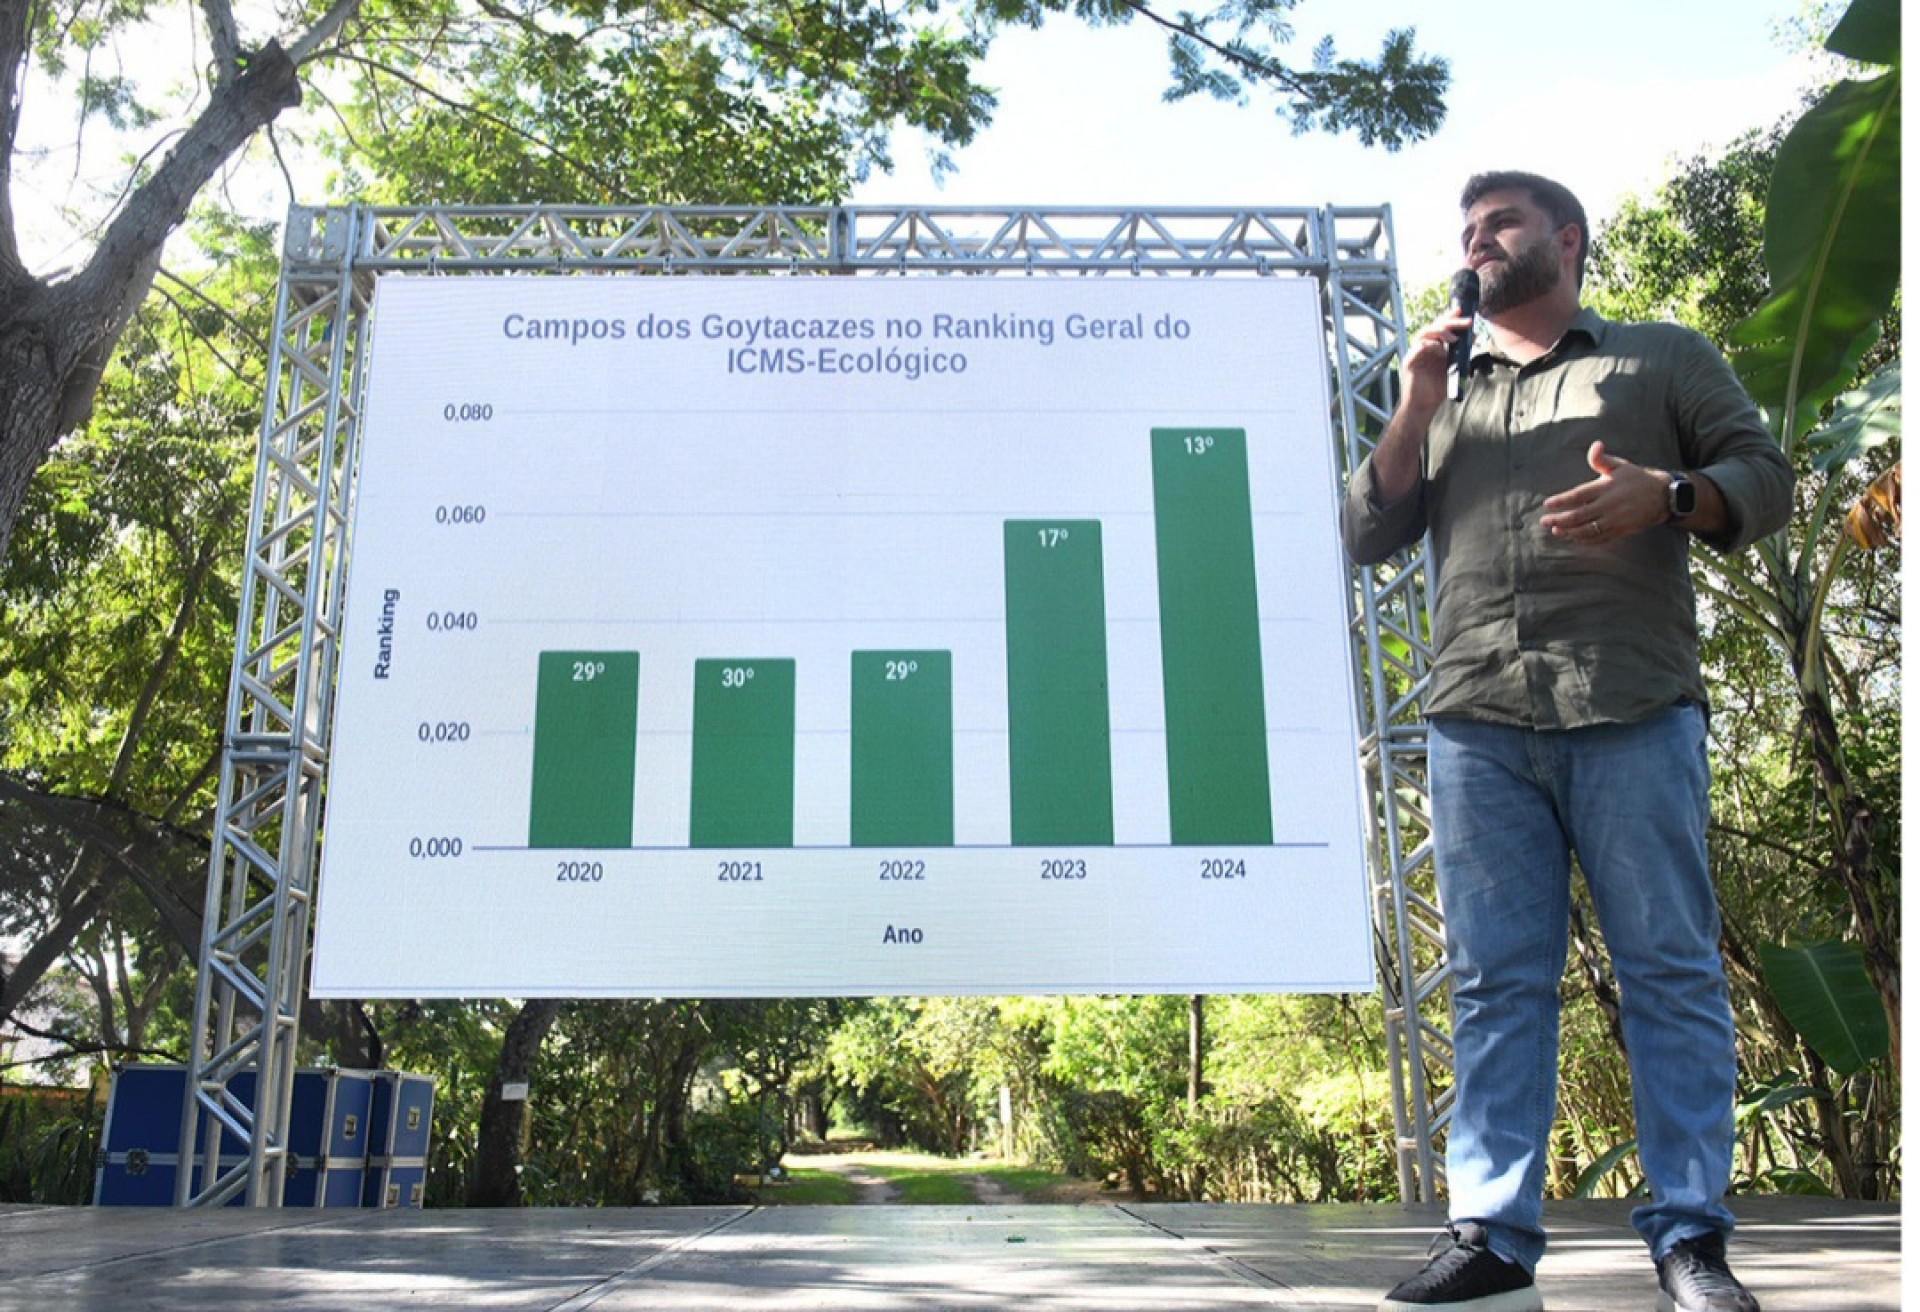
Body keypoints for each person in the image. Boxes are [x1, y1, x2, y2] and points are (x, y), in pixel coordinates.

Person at [1342, 171, 1793, 1312]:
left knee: (1670, 972)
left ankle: (1691, 1240)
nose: (1477, 243)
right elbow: (1365, 528)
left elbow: (1765, 478)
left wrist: (1669, 494)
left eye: (1501, 223)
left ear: (1568, 240)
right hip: (1477, 719)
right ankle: (1492, 1238)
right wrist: (1414, 403)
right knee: (1495, 984)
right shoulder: (1444, 385)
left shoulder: (1658, 357)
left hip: (1631, 704)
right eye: (1467, 231)